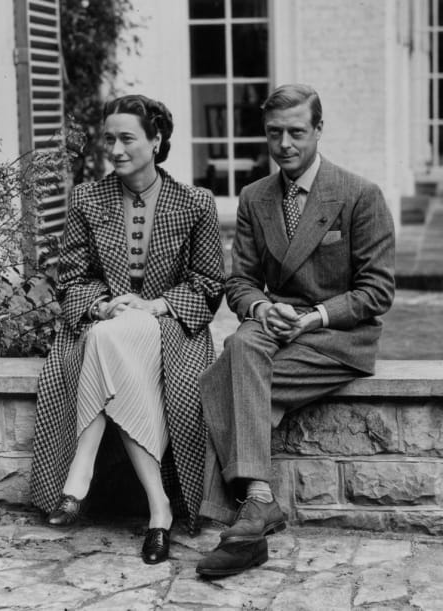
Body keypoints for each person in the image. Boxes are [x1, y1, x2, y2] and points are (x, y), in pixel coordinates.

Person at [196, 84, 395, 577]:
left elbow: (377, 291)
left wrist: (316, 315)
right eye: (274, 133)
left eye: (296, 132)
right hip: (277, 326)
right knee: (243, 340)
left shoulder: (359, 195)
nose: (284, 144)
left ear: (319, 130)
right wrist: (262, 308)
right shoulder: (254, 197)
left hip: (336, 336)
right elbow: (238, 281)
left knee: (221, 379)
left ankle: (250, 512)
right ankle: (258, 505)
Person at [31, 94, 225, 564]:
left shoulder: (194, 202)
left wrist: (153, 304)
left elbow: (210, 284)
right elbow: (71, 278)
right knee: (105, 337)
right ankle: (160, 510)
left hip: (170, 326)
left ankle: (80, 473)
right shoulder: (87, 198)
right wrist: (100, 308)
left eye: (127, 138)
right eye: (109, 139)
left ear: (156, 141)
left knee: (106, 341)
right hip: (109, 322)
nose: (115, 149)